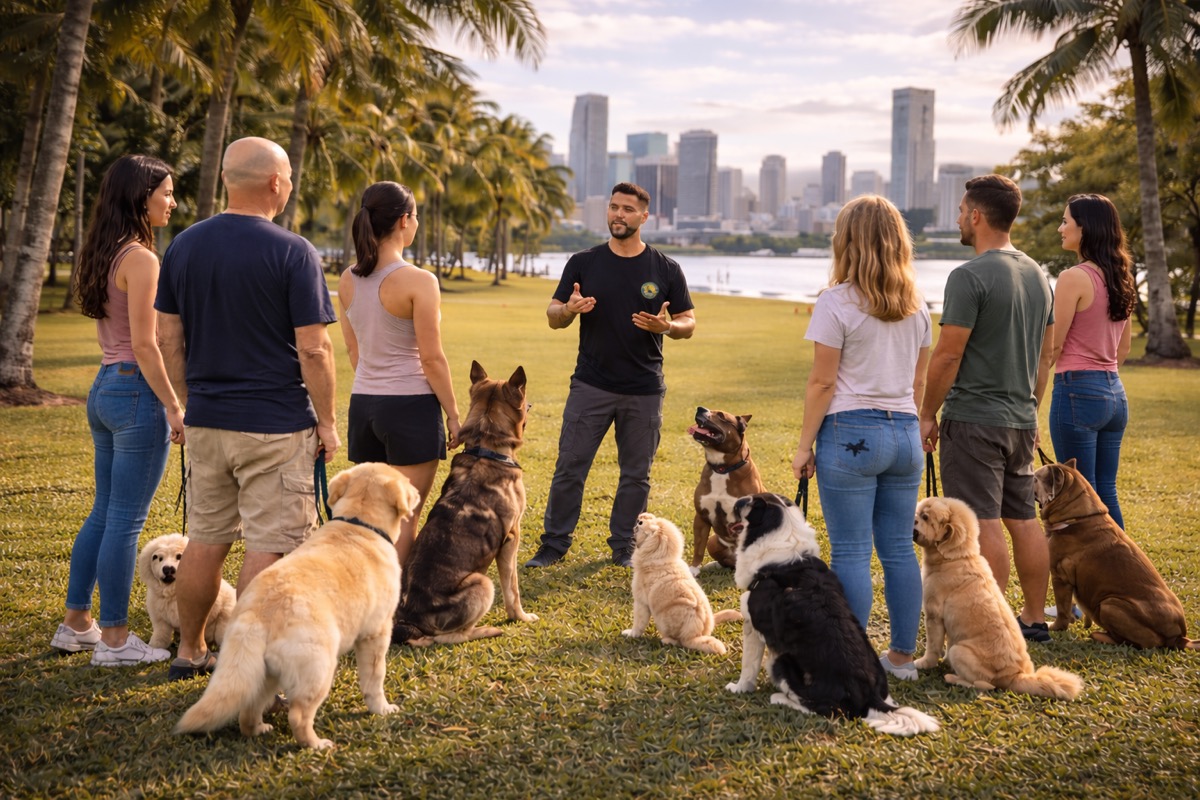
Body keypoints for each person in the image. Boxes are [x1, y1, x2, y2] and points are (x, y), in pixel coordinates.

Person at [156, 137, 339, 680]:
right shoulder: (293, 251)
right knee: (273, 546)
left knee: (205, 541)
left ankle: (189, 652)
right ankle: (244, 662)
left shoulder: (183, 246)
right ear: (276, 184)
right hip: (276, 425)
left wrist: (189, 403)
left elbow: (169, 339)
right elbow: (313, 348)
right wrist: (327, 421)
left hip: (207, 421)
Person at [790, 195, 931, 681]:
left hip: (852, 433)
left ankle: (851, 657)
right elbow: (918, 385)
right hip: (905, 434)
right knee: (897, 548)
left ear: (846, 241)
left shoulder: (836, 302)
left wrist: (805, 445)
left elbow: (822, 383)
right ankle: (903, 658)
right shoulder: (918, 307)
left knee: (850, 549)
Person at [51, 155, 184, 666]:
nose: (171, 202)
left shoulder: (104, 251)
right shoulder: (143, 259)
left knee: (105, 511)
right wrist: (174, 406)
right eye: (166, 193)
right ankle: (113, 641)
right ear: (140, 196)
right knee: (126, 521)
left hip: (105, 386)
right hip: (135, 392)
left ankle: (76, 624)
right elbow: (147, 345)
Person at [526, 182, 696, 568]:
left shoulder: (666, 268)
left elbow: (688, 321)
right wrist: (569, 310)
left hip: (644, 389)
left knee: (636, 475)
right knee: (570, 466)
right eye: (614, 207)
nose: (619, 214)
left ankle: (625, 545)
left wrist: (667, 327)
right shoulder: (583, 262)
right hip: (591, 384)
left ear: (643, 217)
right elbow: (554, 318)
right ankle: (553, 544)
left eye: (628, 209)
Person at [919, 174, 1056, 643]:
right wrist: (1032, 408)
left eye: (960, 211)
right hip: (1021, 419)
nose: (958, 218)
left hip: (975, 419)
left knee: (983, 522)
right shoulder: (1039, 274)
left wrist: (926, 413)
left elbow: (948, 354)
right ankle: (1034, 618)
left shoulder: (968, 276)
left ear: (976, 215)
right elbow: (1046, 354)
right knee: (1024, 519)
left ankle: (990, 623)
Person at [339, 181, 461, 565]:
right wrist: (455, 415)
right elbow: (432, 359)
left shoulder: (348, 278)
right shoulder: (419, 280)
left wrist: (377, 387)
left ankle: (365, 599)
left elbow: (353, 350)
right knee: (404, 517)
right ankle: (390, 612)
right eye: (416, 216)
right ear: (405, 220)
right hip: (410, 408)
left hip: (364, 407)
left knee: (370, 516)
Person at [1049, 194, 1135, 529]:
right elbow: (1122, 350)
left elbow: (1053, 347)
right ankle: (1122, 568)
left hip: (1077, 392)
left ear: (1085, 228)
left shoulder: (1073, 277)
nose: (1061, 228)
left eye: (1066, 221)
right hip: (1114, 393)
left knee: (1078, 494)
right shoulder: (1120, 277)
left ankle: (1096, 571)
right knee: (1105, 491)